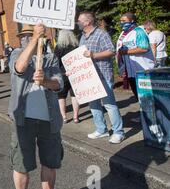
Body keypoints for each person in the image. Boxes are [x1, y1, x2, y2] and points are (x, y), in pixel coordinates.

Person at [8, 23, 64, 189]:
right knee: (21, 165)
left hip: (50, 120)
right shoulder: (17, 54)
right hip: (23, 120)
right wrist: (34, 39)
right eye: (25, 36)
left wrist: (45, 81)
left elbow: (59, 84)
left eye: (30, 35)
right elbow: (19, 68)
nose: (26, 39)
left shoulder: (50, 58)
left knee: (50, 163)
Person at [78, 11, 125, 144]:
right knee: (93, 104)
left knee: (109, 104)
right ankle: (101, 129)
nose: (78, 23)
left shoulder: (101, 34)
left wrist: (93, 55)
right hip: (89, 77)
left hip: (102, 74)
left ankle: (118, 132)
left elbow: (111, 51)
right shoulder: (83, 37)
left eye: (79, 21)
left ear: (87, 22)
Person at [116, 13, 155, 102]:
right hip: (130, 71)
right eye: (121, 21)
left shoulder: (139, 31)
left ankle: (152, 115)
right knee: (139, 97)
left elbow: (144, 48)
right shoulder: (123, 33)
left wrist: (126, 51)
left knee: (148, 97)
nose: (122, 23)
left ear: (132, 21)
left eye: (124, 21)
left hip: (143, 69)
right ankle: (144, 114)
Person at [54, 30, 80, 123]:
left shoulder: (59, 47)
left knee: (61, 96)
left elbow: (56, 62)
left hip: (63, 74)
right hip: (75, 73)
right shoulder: (76, 46)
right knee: (75, 95)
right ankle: (75, 117)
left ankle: (64, 117)